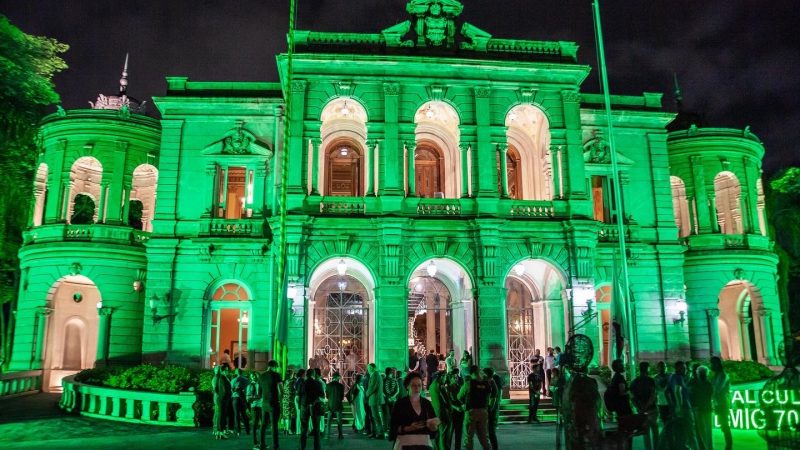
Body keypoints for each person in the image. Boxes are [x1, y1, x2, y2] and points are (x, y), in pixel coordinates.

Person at [389, 371, 440, 450]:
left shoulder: (426, 404)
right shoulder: (400, 404)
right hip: (404, 445)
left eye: (419, 385)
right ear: (407, 386)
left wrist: (433, 426)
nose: (417, 388)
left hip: (424, 445)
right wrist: (409, 428)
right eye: (413, 385)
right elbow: (393, 427)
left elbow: (433, 429)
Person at [458, 365, 495, 450]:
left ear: (471, 373)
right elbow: (489, 396)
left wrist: (464, 403)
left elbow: (459, 396)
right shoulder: (486, 384)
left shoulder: (469, 383)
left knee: (468, 437)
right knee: (484, 437)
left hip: (471, 412)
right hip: (483, 412)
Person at [665, 360, 698, 450]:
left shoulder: (672, 377)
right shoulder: (678, 378)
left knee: (681, 431)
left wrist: (672, 404)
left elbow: (666, 392)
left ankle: (683, 447)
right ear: (678, 368)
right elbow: (677, 390)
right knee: (690, 430)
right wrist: (679, 406)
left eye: (685, 368)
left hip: (679, 408)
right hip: (685, 408)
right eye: (683, 368)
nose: (685, 370)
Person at [630, 361, 658, 450]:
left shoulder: (634, 382)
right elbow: (653, 395)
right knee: (655, 431)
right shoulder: (650, 380)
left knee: (646, 433)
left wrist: (639, 408)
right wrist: (646, 407)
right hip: (652, 409)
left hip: (641, 411)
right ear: (647, 369)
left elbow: (632, 398)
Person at [259, 360, 283, 450]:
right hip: (274, 403)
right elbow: (281, 389)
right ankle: (275, 446)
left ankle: (262, 444)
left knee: (263, 425)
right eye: (276, 367)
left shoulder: (261, 376)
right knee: (274, 425)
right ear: (274, 366)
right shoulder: (276, 375)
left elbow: (259, 392)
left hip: (264, 403)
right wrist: (281, 398)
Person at [299, 368, 326, 450]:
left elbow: (299, 395)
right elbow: (322, 395)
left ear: (307, 375)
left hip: (304, 406)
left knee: (304, 429)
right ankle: (317, 448)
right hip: (315, 406)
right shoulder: (318, 383)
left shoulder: (302, 383)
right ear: (313, 375)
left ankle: (302, 447)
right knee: (316, 429)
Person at [710, 356, 732, 450]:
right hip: (719, 402)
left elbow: (717, 389)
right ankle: (728, 445)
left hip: (722, 402)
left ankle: (729, 446)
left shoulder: (722, 375)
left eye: (713, 363)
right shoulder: (717, 374)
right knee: (723, 425)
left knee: (724, 425)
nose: (711, 365)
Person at [689, 366, 713, 450]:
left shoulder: (694, 383)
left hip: (700, 409)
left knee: (702, 430)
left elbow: (690, 395)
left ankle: (704, 447)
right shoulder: (708, 383)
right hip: (703, 409)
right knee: (706, 430)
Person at [429, 368, 450, 450]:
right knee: (444, 433)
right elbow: (446, 399)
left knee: (438, 432)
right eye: (445, 376)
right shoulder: (439, 385)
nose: (445, 378)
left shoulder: (431, 385)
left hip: (435, 411)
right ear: (441, 377)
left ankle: (437, 448)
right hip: (442, 411)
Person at [445, 368, 465, 450]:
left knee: (458, 434)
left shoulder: (460, 387)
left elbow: (464, 398)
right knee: (450, 434)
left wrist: (463, 406)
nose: (456, 379)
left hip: (460, 413)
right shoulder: (448, 388)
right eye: (454, 377)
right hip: (452, 413)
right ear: (451, 378)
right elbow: (447, 401)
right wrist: (456, 407)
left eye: (457, 377)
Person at [482, 368, 501, 450]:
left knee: (491, 433)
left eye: (483, 374)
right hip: (490, 412)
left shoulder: (492, 384)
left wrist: (488, 411)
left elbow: (492, 401)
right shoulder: (489, 383)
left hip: (491, 413)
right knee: (489, 433)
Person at [366, 363, 386, 438]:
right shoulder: (376, 375)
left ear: (372, 368)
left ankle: (380, 433)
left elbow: (372, 387)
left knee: (376, 416)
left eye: (369, 368)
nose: (368, 369)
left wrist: (366, 393)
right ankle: (375, 432)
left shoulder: (375, 375)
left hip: (375, 399)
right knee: (374, 416)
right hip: (375, 398)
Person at [231, 368, 251, 436]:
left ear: (236, 372)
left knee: (236, 415)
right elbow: (248, 389)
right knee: (244, 414)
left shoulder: (233, 380)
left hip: (235, 398)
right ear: (242, 372)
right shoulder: (246, 380)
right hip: (243, 398)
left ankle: (238, 431)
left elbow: (231, 389)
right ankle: (247, 430)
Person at [212, 365, 230, 439]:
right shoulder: (221, 378)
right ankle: (220, 432)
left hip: (221, 399)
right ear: (222, 371)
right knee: (220, 415)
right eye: (226, 370)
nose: (227, 371)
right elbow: (221, 390)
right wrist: (224, 397)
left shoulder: (222, 377)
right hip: (222, 399)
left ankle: (219, 432)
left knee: (220, 415)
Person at [327, 372, 345, 439]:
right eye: (339, 377)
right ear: (337, 377)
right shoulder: (341, 386)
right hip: (338, 404)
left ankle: (327, 434)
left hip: (330, 404)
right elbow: (342, 397)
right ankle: (340, 435)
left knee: (329, 421)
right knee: (339, 421)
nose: (340, 378)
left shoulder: (328, 385)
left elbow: (327, 395)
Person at [247, 372, 263, 449]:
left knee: (262, 425)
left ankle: (261, 443)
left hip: (261, 406)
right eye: (252, 376)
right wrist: (255, 397)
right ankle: (255, 443)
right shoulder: (250, 386)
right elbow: (248, 398)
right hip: (254, 406)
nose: (253, 377)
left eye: (255, 375)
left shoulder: (260, 384)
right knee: (255, 424)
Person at [654, 361, 671, 428]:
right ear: (657, 368)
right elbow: (658, 390)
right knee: (664, 421)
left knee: (671, 421)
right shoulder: (655, 378)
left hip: (671, 402)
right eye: (661, 367)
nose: (663, 368)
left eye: (664, 366)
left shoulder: (670, 376)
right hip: (661, 403)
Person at [280, 369, 296, 434]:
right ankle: (288, 429)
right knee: (289, 415)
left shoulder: (284, 381)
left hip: (285, 400)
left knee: (286, 415)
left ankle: (285, 429)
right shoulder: (293, 381)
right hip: (290, 400)